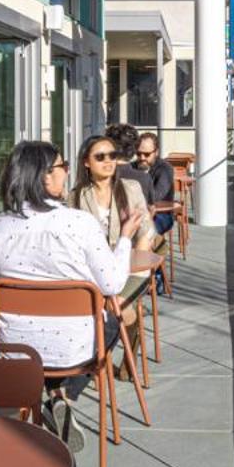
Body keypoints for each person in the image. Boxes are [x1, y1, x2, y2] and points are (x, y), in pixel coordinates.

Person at [0, 140, 145, 452]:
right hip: (72, 350)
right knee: (113, 318)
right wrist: (124, 237)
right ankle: (63, 394)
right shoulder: (78, 223)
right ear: (44, 176)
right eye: (62, 167)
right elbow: (111, 283)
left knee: (48, 337)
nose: (66, 173)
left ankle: (53, 394)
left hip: (15, 351)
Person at [74, 131, 155, 376]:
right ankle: (102, 359)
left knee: (115, 306)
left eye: (112, 155)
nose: (109, 161)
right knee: (117, 312)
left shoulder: (130, 189)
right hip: (93, 273)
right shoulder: (76, 196)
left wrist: (131, 266)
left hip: (131, 269)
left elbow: (147, 232)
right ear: (86, 162)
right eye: (101, 156)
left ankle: (96, 364)